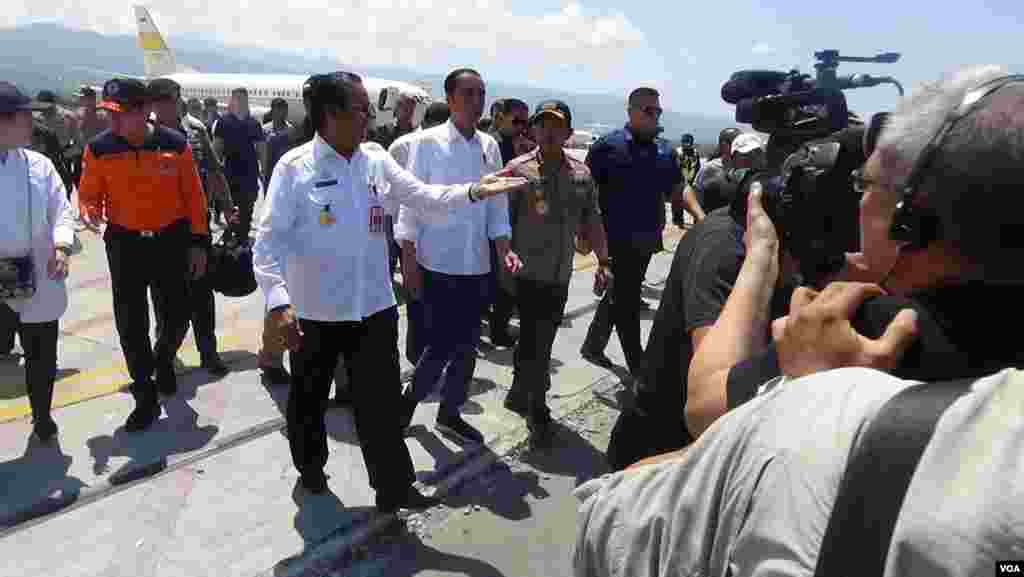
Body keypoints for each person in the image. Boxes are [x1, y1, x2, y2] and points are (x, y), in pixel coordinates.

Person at [573, 66, 1024, 577]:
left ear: (909, 217)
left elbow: (700, 413)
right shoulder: (721, 243)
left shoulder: (863, 330)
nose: (854, 202)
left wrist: (800, 379)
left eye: (865, 184)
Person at [251, 71, 527, 504]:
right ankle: (311, 468)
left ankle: (393, 486)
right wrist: (278, 301)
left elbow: (424, 197)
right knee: (309, 401)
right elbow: (267, 243)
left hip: (374, 308)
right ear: (330, 115)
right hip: (315, 313)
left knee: (378, 405)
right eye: (360, 109)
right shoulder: (296, 167)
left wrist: (474, 191)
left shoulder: (376, 158)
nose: (368, 117)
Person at [396, 68, 522, 446]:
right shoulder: (428, 143)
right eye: (467, 94)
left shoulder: (489, 145)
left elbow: (496, 204)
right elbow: (412, 202)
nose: (475, 101)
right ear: (450, 100)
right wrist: (409, 259)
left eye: (481, 93)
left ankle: (450, 413)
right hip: (437, 262)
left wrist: (504, 249)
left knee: (468, 347)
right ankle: (408, 403)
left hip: (476, 264)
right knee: (442, 344)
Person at [78, 78, 210, 432]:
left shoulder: (175, 144)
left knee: (177, 315)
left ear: (144, 111)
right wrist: (90, 210)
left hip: (171, 241)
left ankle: (164, 358)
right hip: (125, 244)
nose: (113, 122)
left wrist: (199, 242)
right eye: (110, 114)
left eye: (120, 114)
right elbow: (89, 192)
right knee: (130, 323)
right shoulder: (99, 149)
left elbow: (195, 199)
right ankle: (145, 396)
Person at [499, 100, 611, 446]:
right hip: (523, 273)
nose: (548, 131)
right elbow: (500, 223)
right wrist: (500, 268)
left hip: (559, 273)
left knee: (534, 340)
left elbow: (592, 218)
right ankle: (538, 410)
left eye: (556, 125)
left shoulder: (581, 173)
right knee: (538, 342)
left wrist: (604, 262)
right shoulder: (517, 170)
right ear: (532, 129)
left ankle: (519, 392)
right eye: (541, 124)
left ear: (568, 132)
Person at [579, 87, 705, 378]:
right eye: (648, 110)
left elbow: (678, 186)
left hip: (646, 240)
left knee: (621, 294)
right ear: (631, 112)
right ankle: (639, 367)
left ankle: (592, 346)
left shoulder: (664, 150)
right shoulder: (607, 147)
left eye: (657, 111)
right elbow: (584, 191)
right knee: (627, 302)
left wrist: (699, 215)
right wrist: (584, 231)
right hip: (613, 240)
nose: (654, 116)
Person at [0, 82, 75, 442]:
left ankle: (42, 414)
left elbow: (61, 210)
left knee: (41, 353)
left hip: (37, 275)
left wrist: (61, 247)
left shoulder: (39, 165)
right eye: (23, 116)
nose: (31, 123)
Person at [147, 77, 232, 376]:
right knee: (164, 296)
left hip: (197, 225)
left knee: (202, 293)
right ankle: (165, 354)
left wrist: (228, 206)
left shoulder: (195, 130)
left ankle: (208, 352)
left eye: (173, 99)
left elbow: (214, 169)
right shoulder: (144, 136)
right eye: (162, 100)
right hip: (160, 229)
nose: (169, 105)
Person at [390, 101, 450, 366]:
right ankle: (415, 358)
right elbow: (389, 195)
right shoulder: (403, 147)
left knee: (431, 302)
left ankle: (425, 357)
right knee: (411, 298)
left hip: (434, 236)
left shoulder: (447, 149)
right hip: (402, 232)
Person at [484, 97, 532, 347]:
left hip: (508, 222)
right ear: (499, 116)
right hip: (491, 223)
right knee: (502, 281)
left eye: (526, 122)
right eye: (517, 121)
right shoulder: (491, 145)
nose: (522, 127)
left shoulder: (517, 144)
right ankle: (498, 330)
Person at [213, 88, 266, 243]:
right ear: (232, 100)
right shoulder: (223, 122)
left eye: (244, 99)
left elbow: (261, 147)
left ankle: (242, 238)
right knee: (230, 208)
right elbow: (217, 147)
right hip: (230, 172)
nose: (241, 102)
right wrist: (215, 168)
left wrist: (264, 168)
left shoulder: (254, 123)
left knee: (247, 208)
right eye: (238, 99)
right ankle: (231, 237)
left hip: (249, 173)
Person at [69, 86, 109, 193]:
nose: (80, 100)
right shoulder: (78, 113)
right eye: (80, 98)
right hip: (81, 152)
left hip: (97, 153)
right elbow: (75, 132)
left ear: (92, 99)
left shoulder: (103, 115)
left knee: (97, 180)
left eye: (83, 98)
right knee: (78, 178)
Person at [692, 127, 741, 212]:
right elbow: (697, 194)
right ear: (724, 145)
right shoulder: (709, 168)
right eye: (736, 143)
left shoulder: (744, 167)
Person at [261, 98, 293, 190]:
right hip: (269, 172)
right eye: (279, 110)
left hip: (285, 172)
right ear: (273, 111)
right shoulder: (265, 130)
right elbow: (260, 151)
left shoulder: (290, 130)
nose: (282, 114)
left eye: (284, 110)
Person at [673, 133, 701, 226]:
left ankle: (696, 220)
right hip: (679, 180)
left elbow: (698, 166)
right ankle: (678, 220)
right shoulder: (678, 152)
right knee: (678, 201)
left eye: (689, 143)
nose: (687, 145)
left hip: (692, 180)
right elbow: (674, 167)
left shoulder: (695, 153)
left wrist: (696, 179)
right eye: (685, 143)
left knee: (693, 201)